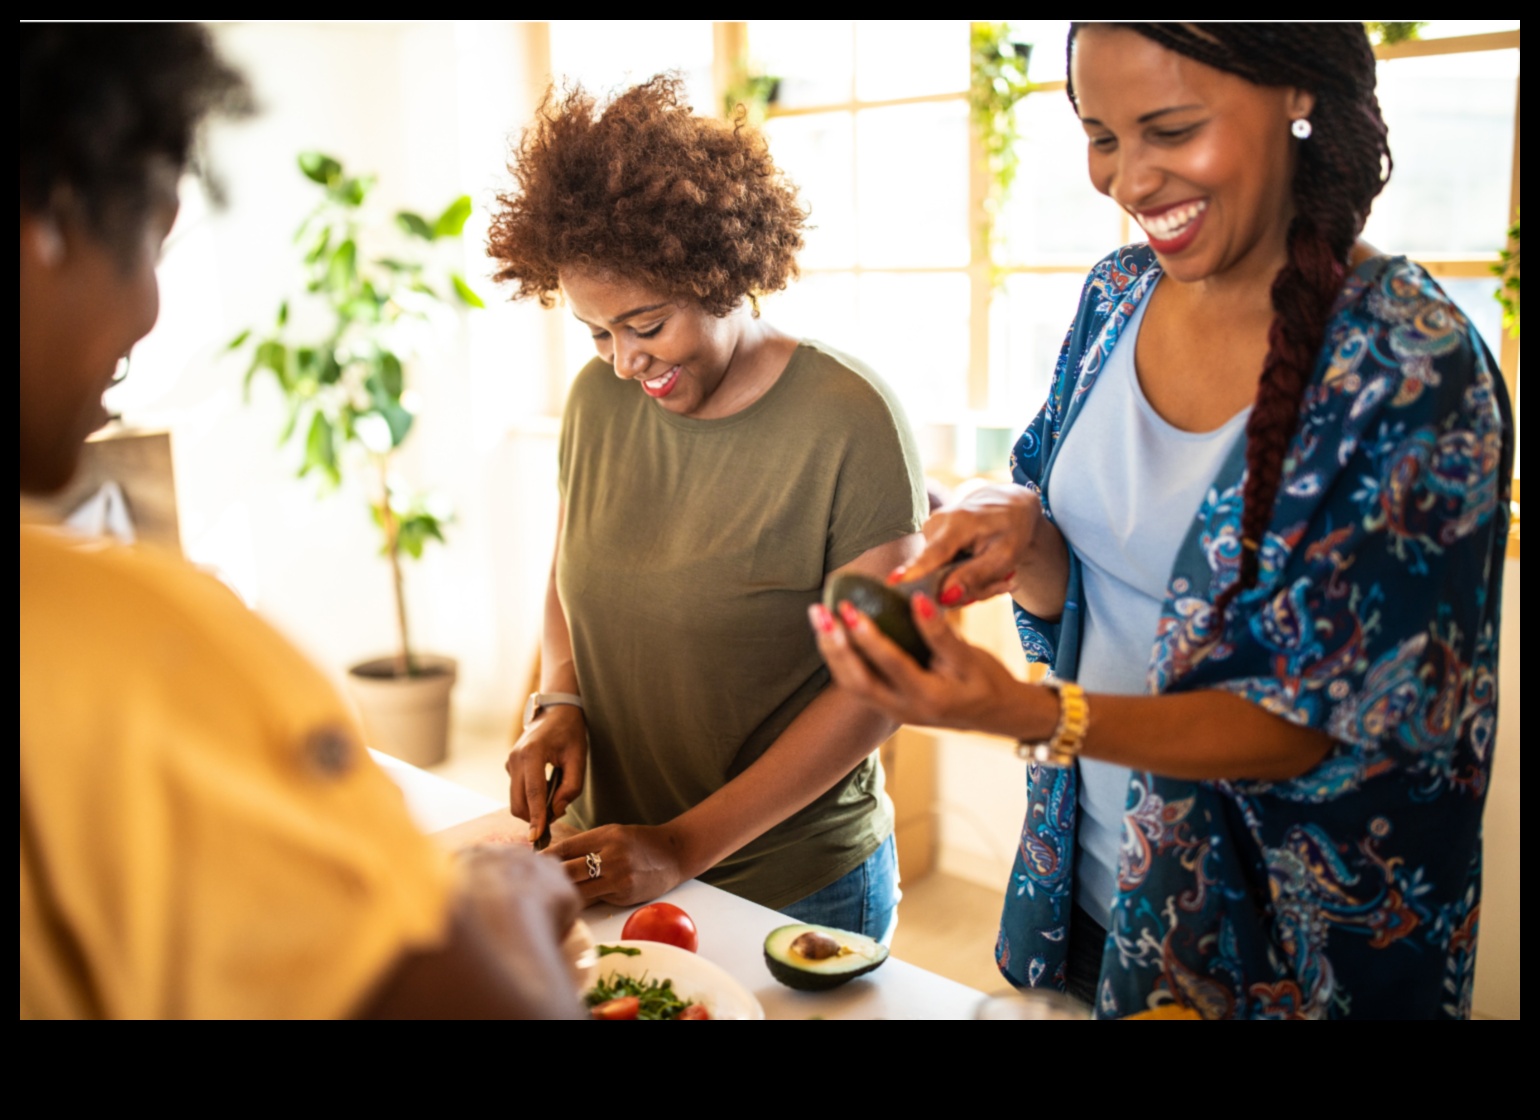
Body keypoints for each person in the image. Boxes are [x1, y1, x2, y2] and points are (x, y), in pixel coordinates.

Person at [812, 22, 1512, 1018]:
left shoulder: (1411, 368)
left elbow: (1308, 726)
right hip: (1092, 886)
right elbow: (1093, 591)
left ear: (1297, 95)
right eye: (1100, 135)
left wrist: (1022, 713)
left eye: (1169, 129)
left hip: (1283, 956)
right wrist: (1028, 538)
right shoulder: (1115, 297)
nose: (1129, 181)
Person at [20, 23, 583, 1020]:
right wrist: (502, 892)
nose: (149, 310)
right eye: (151, 235)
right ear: (50, 227)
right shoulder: (132, 642)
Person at [487, 76, 926, 937]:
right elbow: (571, 565)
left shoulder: (848, 419)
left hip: (792, 885)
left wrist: (684, 846)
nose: (623, 362)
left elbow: (881, 687)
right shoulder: (596, 400)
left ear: (722, 273)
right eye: (598, 333)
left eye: (646, 326)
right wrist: (560, 701)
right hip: (610, 861)